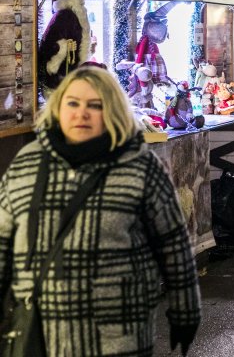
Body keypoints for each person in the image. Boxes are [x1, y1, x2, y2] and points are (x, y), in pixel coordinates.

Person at [0, 65, 201, 356]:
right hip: (39, 334)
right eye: (73, 103)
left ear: (111, 112)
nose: (81, 113)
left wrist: (186, 311)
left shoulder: (139, 166)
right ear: (58, 108)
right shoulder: (27, 165)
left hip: (116, 336)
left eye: (95, 105)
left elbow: (173, 243)